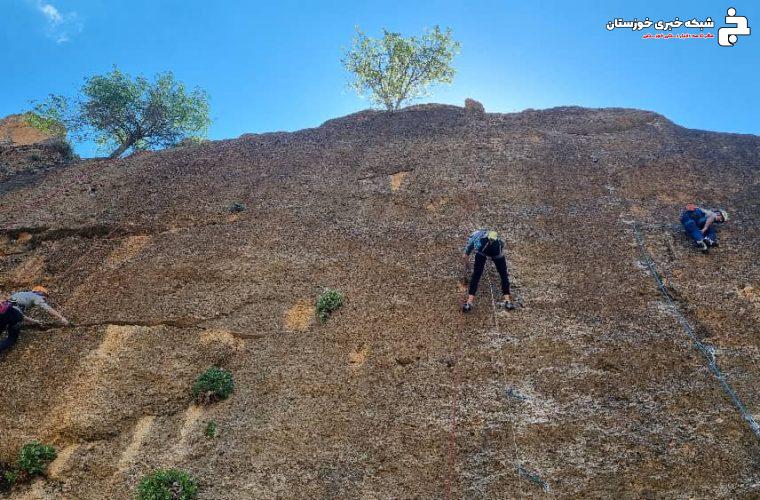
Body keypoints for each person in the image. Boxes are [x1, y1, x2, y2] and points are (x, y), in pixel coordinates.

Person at [0, 286, 69, 355]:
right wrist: (61, 317)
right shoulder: (35, 296)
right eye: (45, 296)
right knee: (11, 339)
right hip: (14, 315)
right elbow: (47, 308)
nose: (45, 299)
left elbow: (19, 314)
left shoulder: (19, 295)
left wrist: (35, 321)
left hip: (3, 312)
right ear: (40, 292)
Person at [461, 229, 513, 312]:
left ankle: (507, 300)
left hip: (495, 253)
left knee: (502, 274)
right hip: (483, 252)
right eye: (490, 240)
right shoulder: (476, 238)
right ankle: (469, 302)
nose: (491, 241)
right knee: (478, 274)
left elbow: (465, 255)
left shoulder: (498, 242)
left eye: (493, 240)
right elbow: (465, 255)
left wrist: (467, 267)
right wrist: (467, 266)